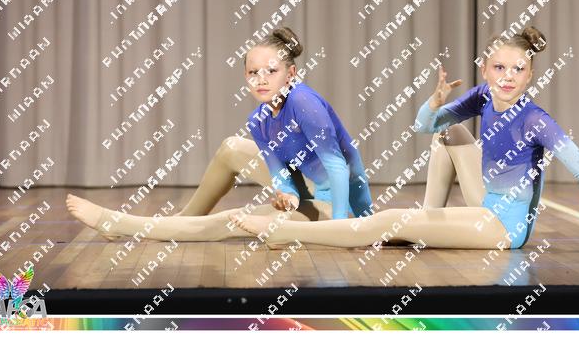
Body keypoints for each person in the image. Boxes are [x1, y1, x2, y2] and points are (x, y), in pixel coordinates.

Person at [230, 26, 579, 255]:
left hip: (504, 228)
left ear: (530, 75)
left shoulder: (535, 120)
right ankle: (428, 217)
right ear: (485, 70)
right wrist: (434, 103)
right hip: (487, 204)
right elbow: (424, 127)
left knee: (389, 222)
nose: (507, 77)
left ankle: (285, 233)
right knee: (447, 135)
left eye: (518, 69)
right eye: (499, 68)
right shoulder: (484, 96)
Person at [67, 27, 373, 240]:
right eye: (253, 73)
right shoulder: (259, 119)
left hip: (339, 201)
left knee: (236, 221)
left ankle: (121, 224)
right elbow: (280, 175)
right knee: (231, 148)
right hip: (310, 189)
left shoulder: (303, 102)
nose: (261, 80)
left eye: (271, 71)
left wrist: (339, 226)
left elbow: (338, 167)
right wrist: (288, 198)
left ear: (291, 74)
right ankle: (180, 220)